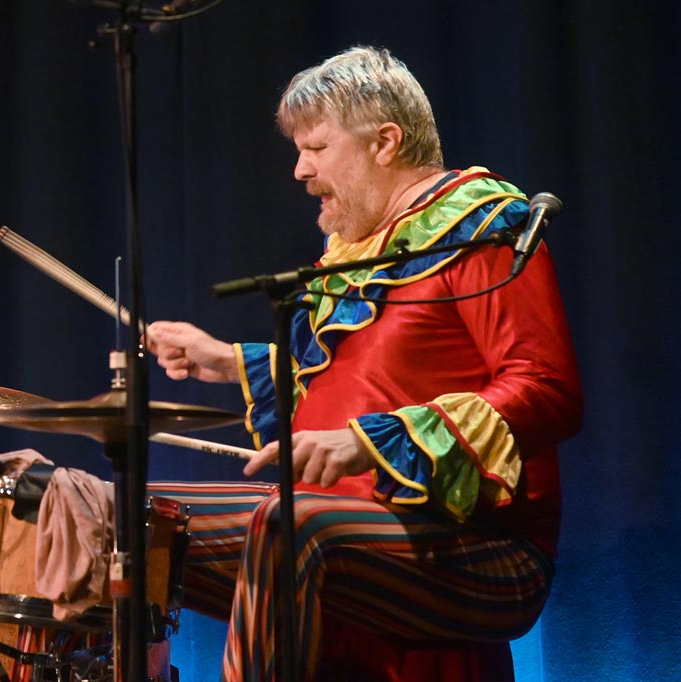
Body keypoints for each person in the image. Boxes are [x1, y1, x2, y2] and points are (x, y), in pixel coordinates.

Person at [146, 45, 583, 681]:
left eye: (316, 148)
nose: (299, 170)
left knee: (288, 523)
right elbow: (362, 376)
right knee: (135, 516)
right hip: (343, 527)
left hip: (475, 541)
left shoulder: (480, 225)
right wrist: (227, 362)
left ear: (385, 142)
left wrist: (364, 445)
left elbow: (547, 389)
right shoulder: (360, 250)